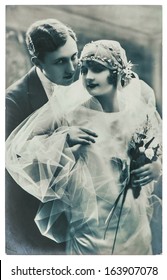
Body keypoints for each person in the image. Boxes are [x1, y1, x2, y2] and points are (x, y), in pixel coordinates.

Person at [6, 40, 162, 255]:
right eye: (84, 69)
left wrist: (157, 167)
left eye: (97, 69)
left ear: (117, 71)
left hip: (134, 220)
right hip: (90, 223)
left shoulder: (141, 112)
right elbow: (18, 148)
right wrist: (64, 137)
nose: (88, 77)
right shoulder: (72, 114)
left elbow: (156, 151)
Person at [5, 18, 91, 254]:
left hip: (86, 215)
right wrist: (63, 138)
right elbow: (11, 160)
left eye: (75, 56)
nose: (72, 68)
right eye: (61, 62)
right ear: (37, 61)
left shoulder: (88, 83)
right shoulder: (12, 102)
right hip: (33, 227)